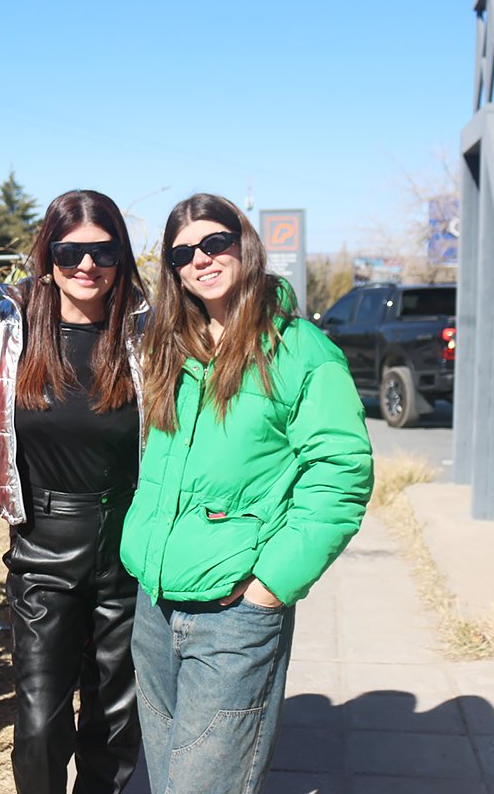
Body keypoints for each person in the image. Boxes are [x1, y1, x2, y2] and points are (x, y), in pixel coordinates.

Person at [120, 193, 373, 794]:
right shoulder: (170, 348)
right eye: (183, 253)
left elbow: (342, 474)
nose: (200, 260)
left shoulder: (299, 350)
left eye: (214, 243)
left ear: (245, 245)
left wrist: (270, 586)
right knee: (167, 782)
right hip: (154, 607)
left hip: (234, 613)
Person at [0, 189, 148, 794]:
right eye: (69, 250)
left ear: (121, 258)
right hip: (43, 545)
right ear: (47, 256)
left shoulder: (144, 335)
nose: (87, 266)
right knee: (37, 725)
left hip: (128, 543)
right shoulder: (9, 332)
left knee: (114, 720)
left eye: (103, 252)